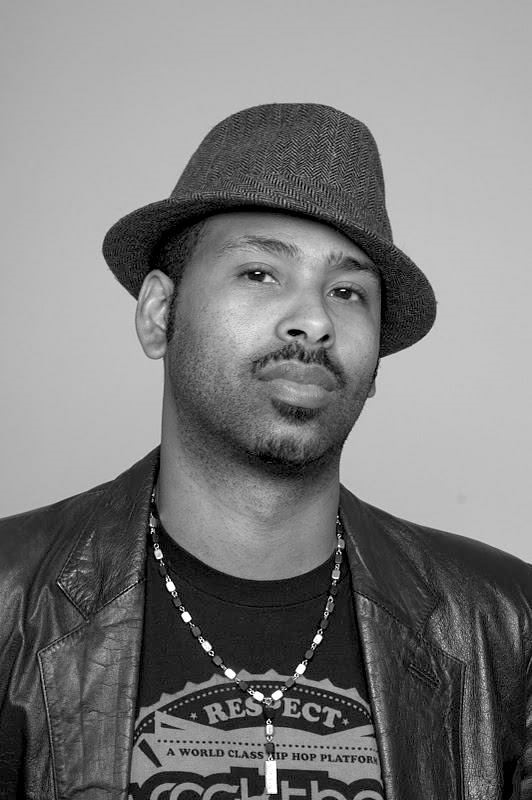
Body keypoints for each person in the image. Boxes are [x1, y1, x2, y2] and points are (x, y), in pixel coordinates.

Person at [0, 103, 530, 800]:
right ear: (161, 314)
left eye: (347, 291)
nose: (313, 320)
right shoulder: (12, 604)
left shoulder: (507, 625)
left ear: (375, 365)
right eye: (259, 273)